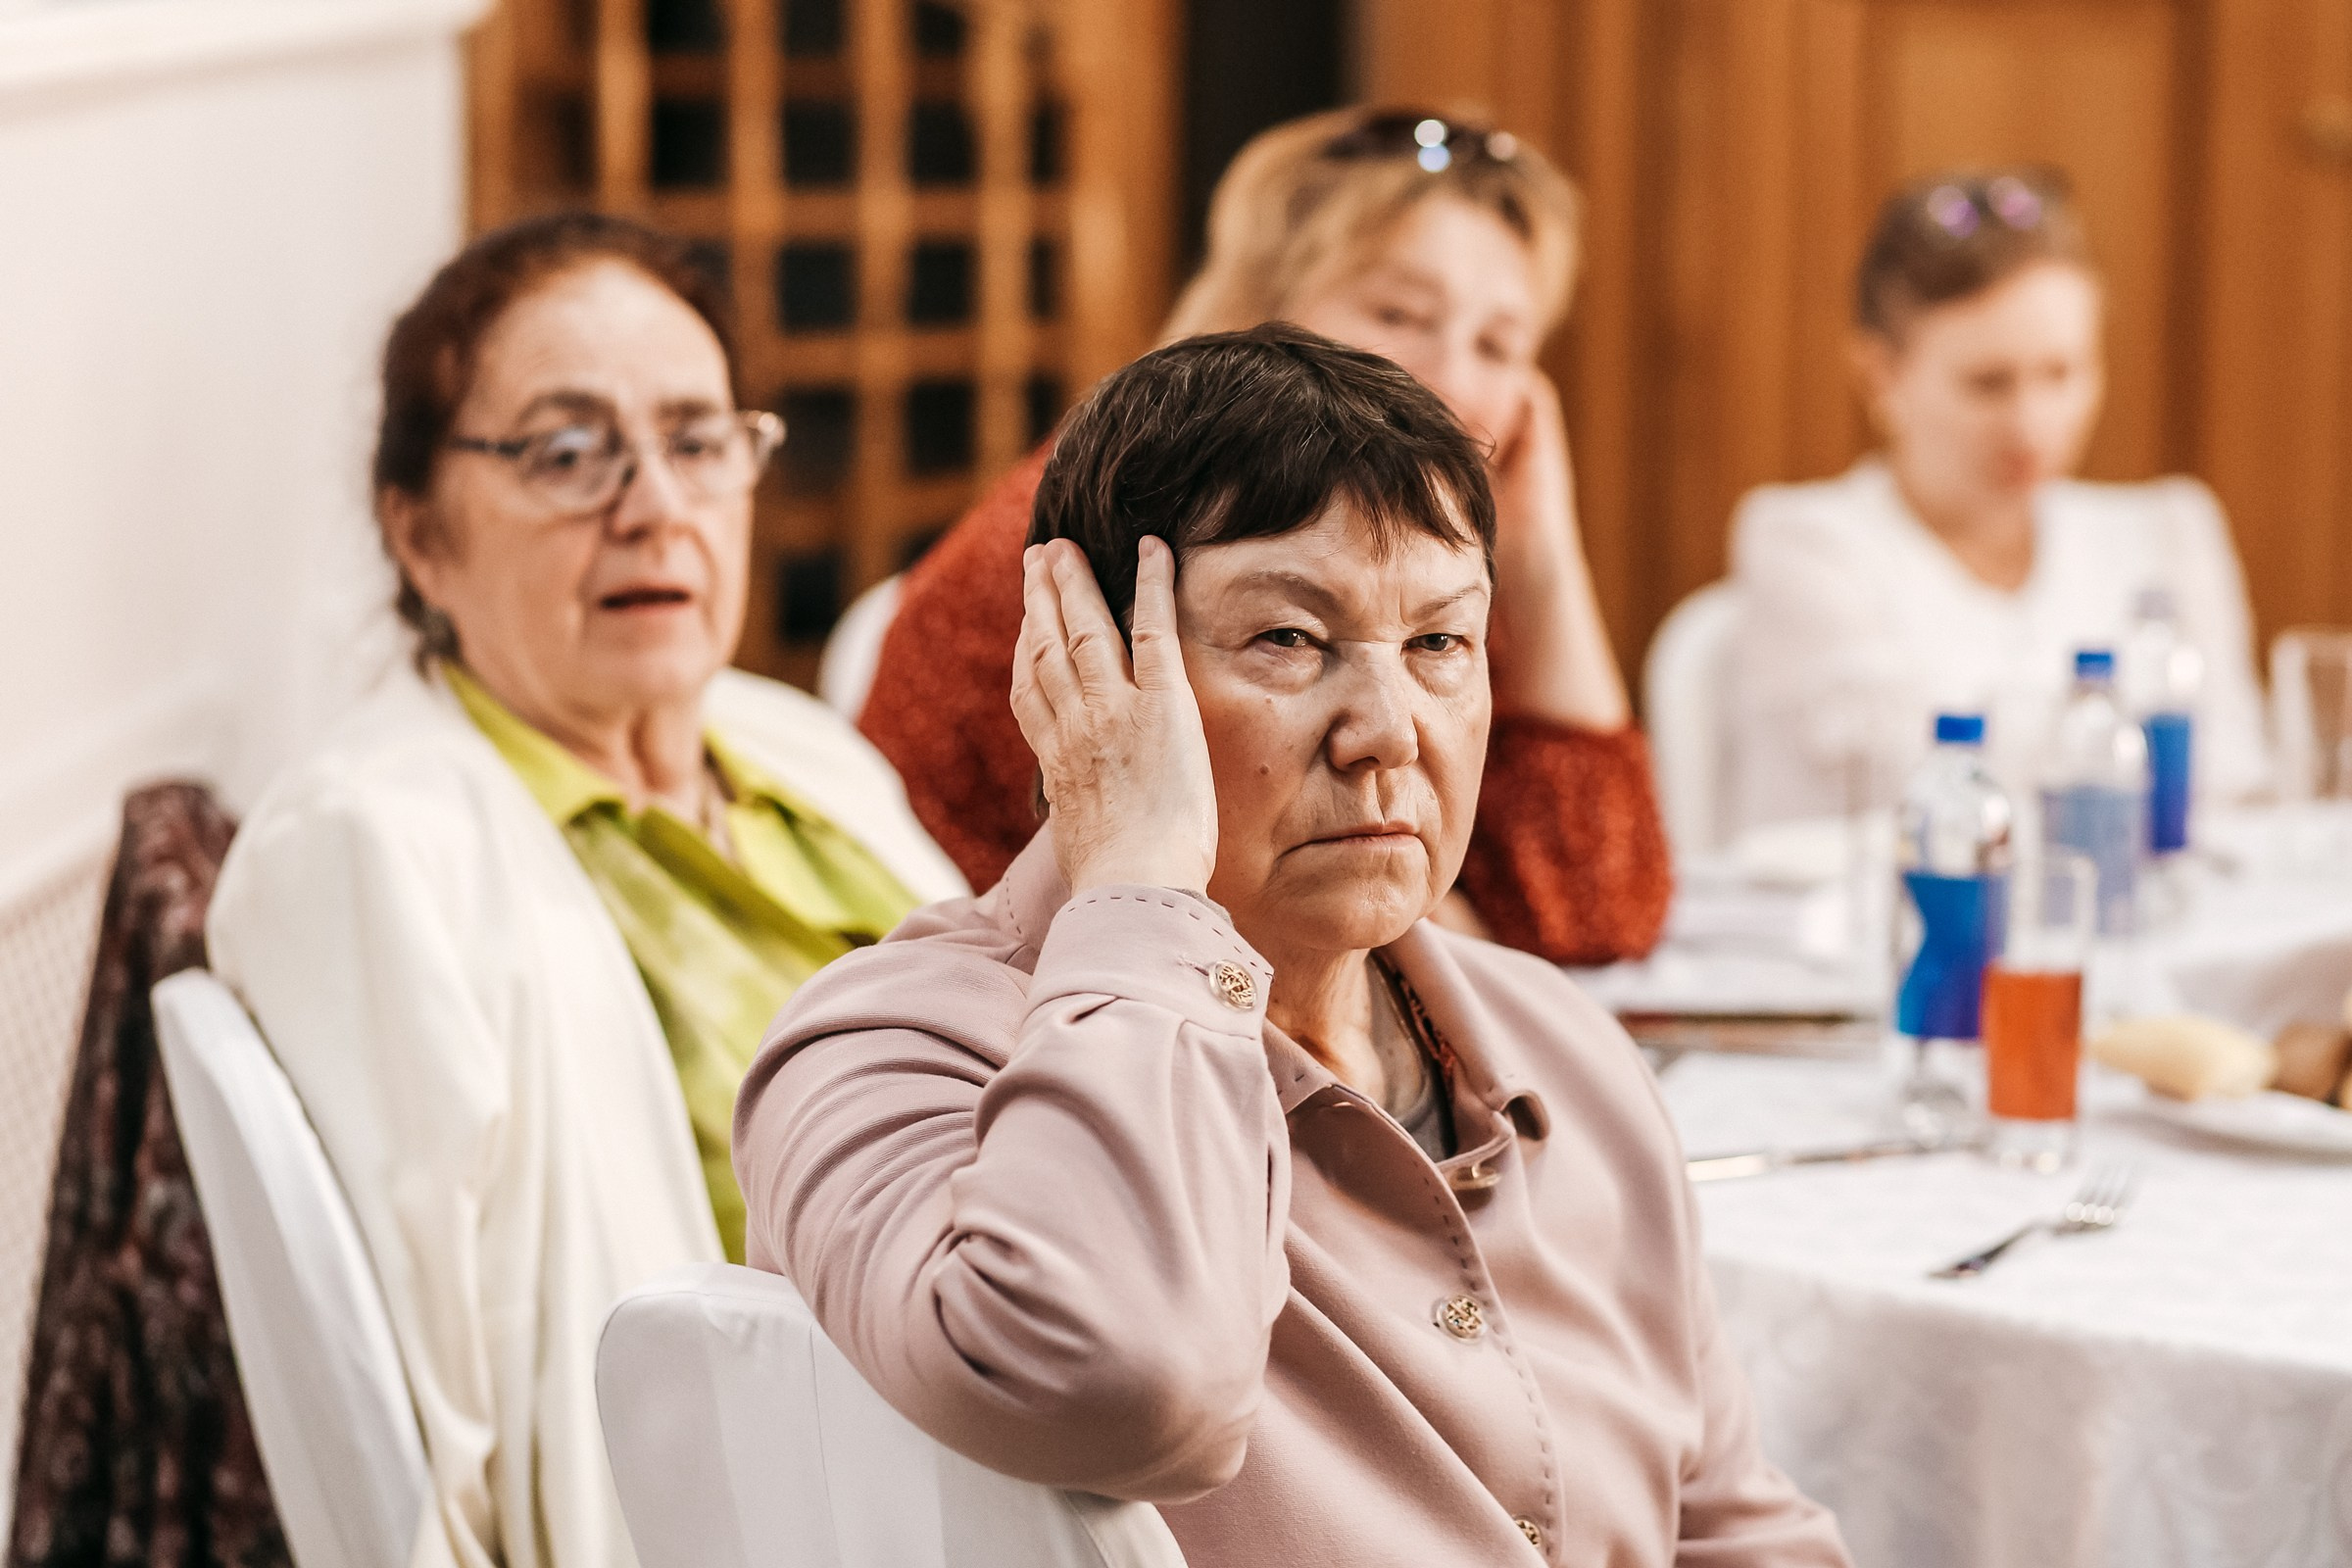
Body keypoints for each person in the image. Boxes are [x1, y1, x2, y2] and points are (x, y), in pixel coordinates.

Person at [735, 326, 1850, 1566]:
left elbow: (1737, 1532)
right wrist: (1142, 880)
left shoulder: (1560, 1052)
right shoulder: (890, 1050)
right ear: (1085, 667)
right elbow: (1122, 1380)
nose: (1389, 731)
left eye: (1439, 644)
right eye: (1288, 640)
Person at [206, 214, 964, 1568]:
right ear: (418, 534)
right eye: (566, 452)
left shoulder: (797, 752)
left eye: (696, 438)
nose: (655, 505)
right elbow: (406, 1445)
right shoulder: (372, 846)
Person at [858, 107, 1670, 964]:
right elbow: (1290, 912)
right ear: (1259, 308)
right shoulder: (1102, 537)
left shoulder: (1398, 556)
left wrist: (1544, 559)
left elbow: (1602, 909)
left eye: (1500, 345)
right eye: (1399, 313)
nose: (1454, 382)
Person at [1726, 167, 2268, 834]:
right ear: (1880, 374)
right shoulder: (1804, 542)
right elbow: (1929, 777)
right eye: (1988, 384)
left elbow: (2234, 778)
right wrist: (2129, 742)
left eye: (2062, 373)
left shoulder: (2167, 530)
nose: (2033, 426)